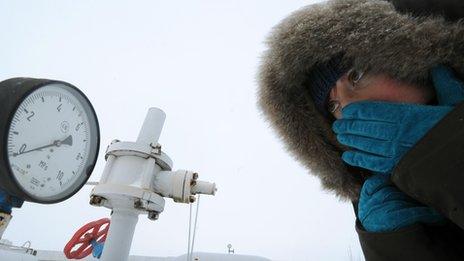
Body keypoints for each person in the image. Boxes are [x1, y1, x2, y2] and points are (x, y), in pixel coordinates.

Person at [257, 0, 464, 260]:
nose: (347, 107)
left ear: (413, 61)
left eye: (356, 76)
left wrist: (446, 148)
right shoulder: (380, 202)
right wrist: (398, 243)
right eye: (333, 105)